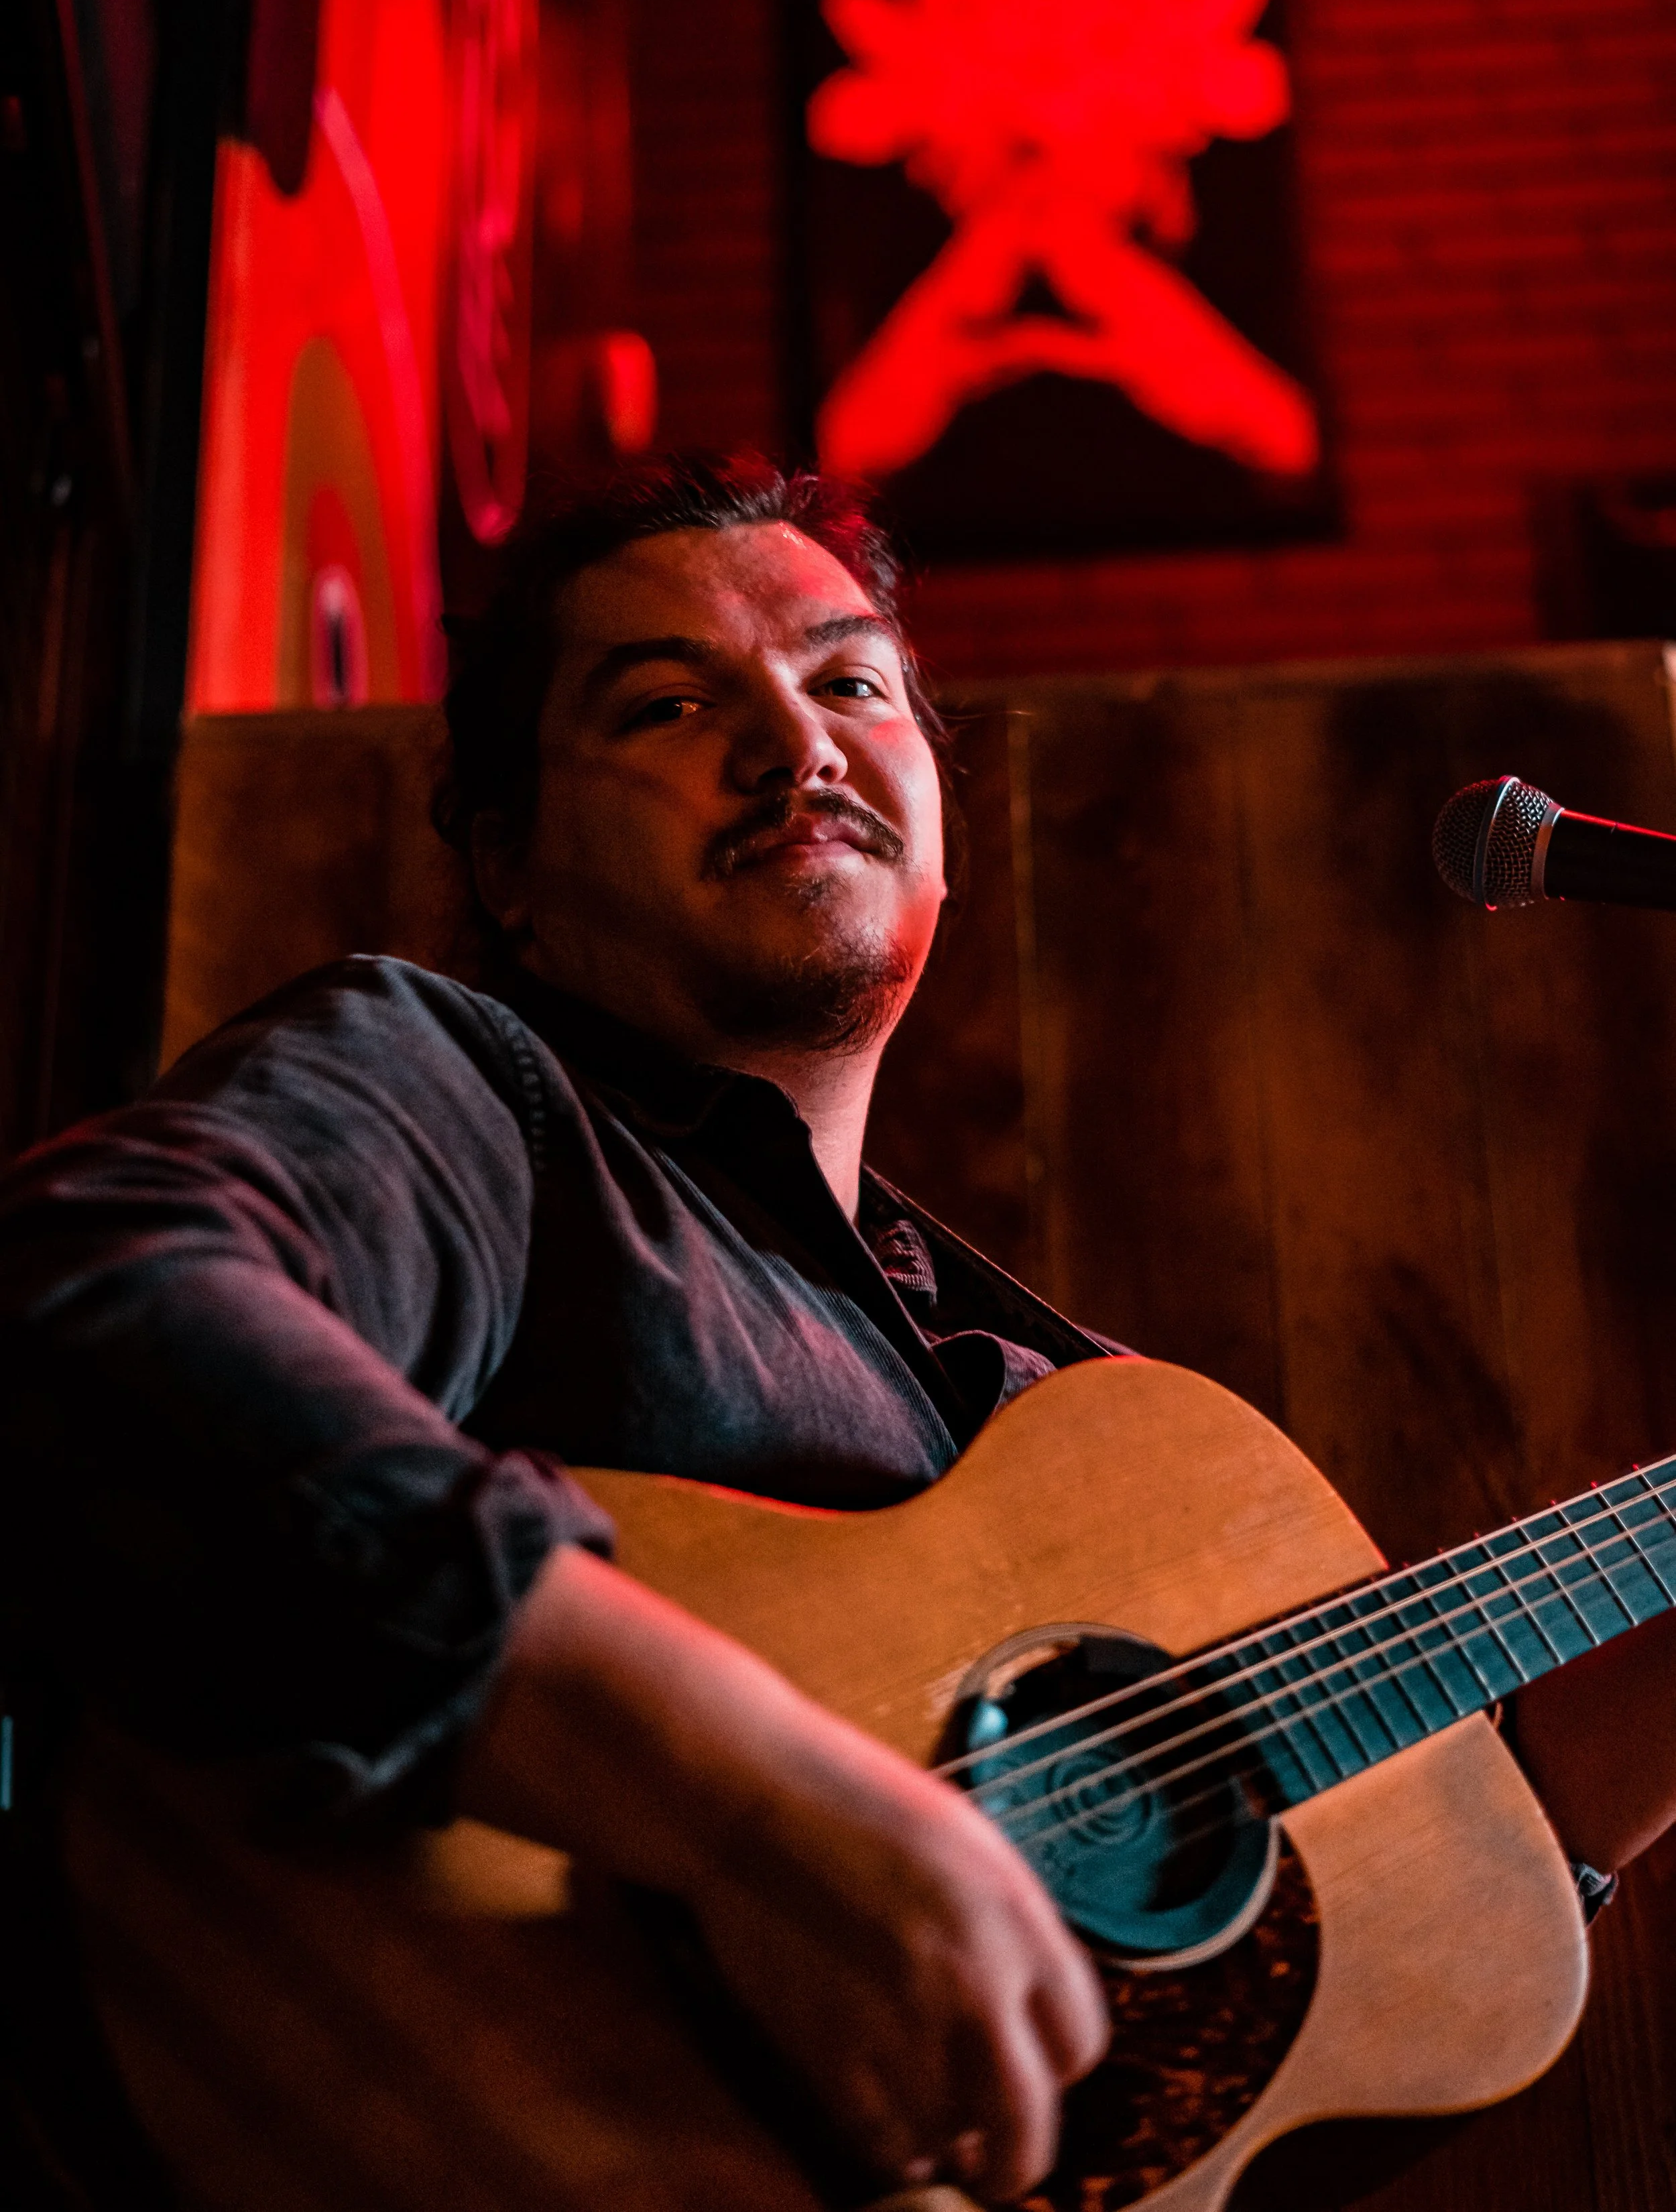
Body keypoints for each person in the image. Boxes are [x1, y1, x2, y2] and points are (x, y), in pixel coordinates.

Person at [1, 455, 1673, 2208]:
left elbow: (1454, 1891)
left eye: (849, 680)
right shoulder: (480, 1105)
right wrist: (754, 1800)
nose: (796, 743)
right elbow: (90, 1296)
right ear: (510, 864)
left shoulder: (1062, 1423)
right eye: (666, 700)